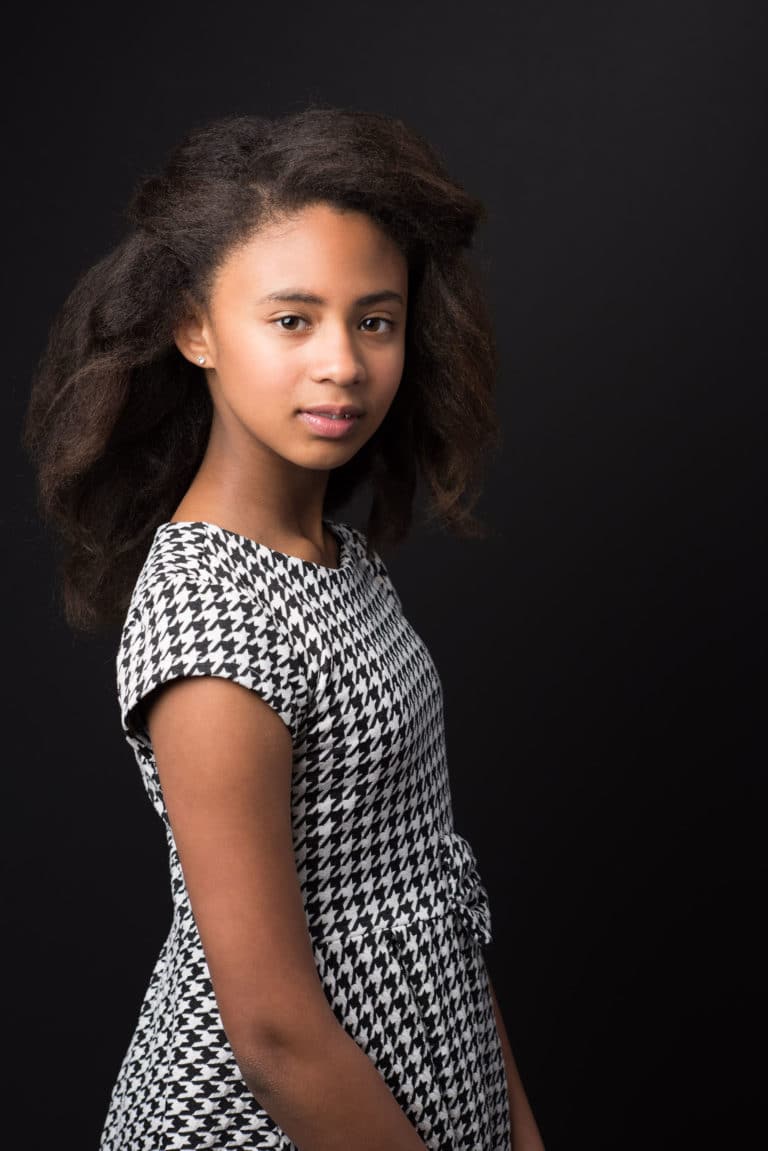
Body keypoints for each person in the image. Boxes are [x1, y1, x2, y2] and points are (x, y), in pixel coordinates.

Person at [23, 106, 545, 1151]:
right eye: (293, 318)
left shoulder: (336, 562)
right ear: (196, 325)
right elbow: (270, 1031)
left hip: (430, 1095)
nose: (344, 365)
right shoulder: (211, 618)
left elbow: (428, 881)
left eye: (376, 319)